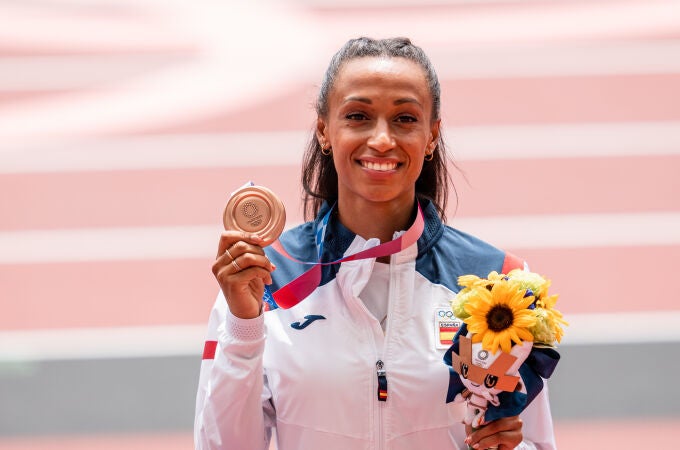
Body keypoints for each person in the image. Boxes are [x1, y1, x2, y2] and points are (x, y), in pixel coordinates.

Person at [194, 37, 557, 450]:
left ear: (432, 135)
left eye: (404, 118)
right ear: (324, 130)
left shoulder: (499, 288)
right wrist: (244, 327)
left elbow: (536, 441)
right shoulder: (267, 282)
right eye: (358, 116)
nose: (382, 139)